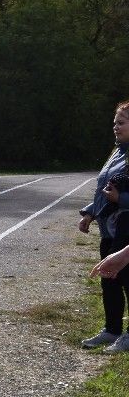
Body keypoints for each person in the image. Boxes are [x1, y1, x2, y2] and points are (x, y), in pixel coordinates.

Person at [80, 101, 129, 351]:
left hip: (126, 226)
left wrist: (120, 199)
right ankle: (112, 330)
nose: (115, 127)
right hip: (108, 228)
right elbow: (104, 190)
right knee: (108, 279)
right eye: (114, 123)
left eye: (121, 122)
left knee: (125, 277)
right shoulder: (117, 152)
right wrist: (90, 212)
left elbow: (118, 194)